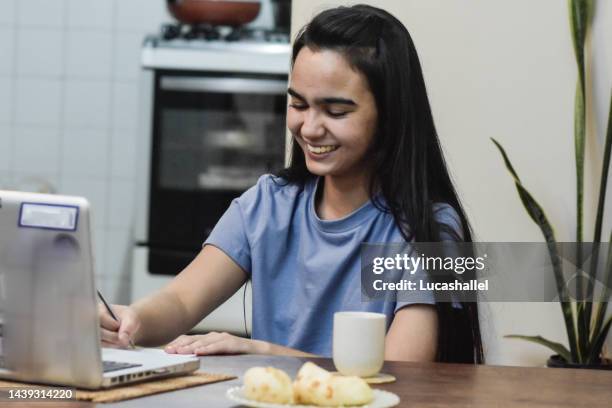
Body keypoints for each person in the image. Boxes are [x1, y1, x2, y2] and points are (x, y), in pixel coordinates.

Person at [100, 4, 483, 363]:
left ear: (391, 115)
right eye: (298, 105)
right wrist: (131, 318)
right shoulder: (269, 204)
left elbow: (401, 374)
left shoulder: (433, 228)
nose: (310, 128)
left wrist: (262, 351)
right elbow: (181, 302)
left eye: (335, 111)